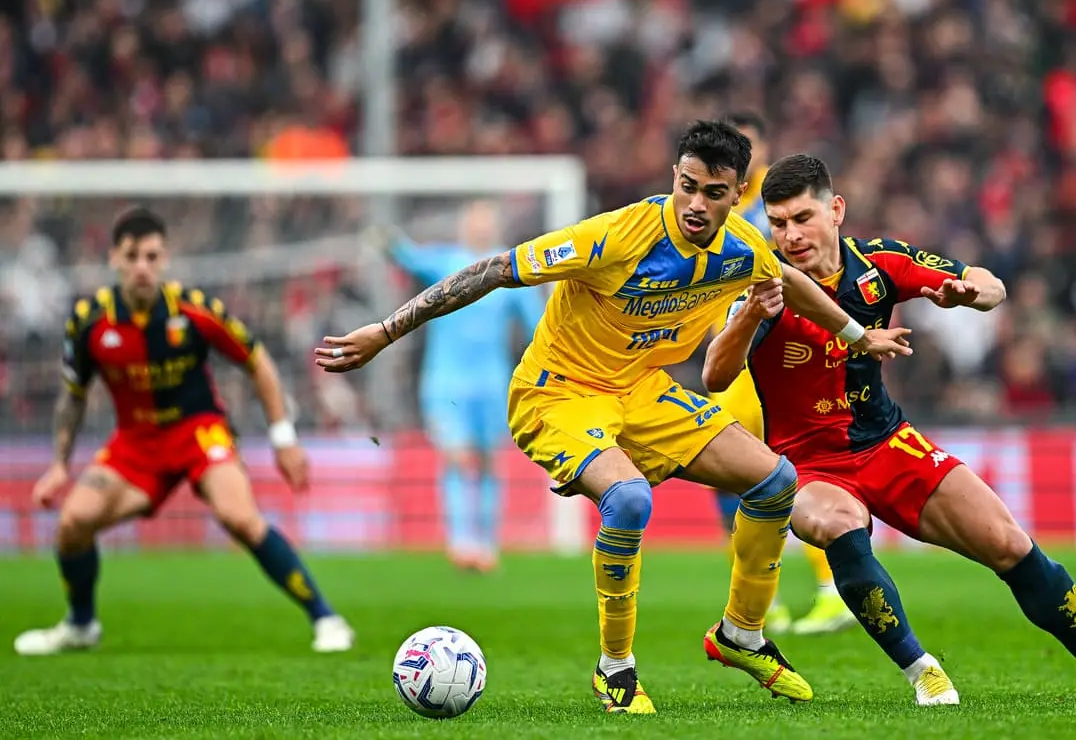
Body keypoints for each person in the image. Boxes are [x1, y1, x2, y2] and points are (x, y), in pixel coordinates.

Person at [315, 120, 914, 714]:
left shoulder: (742, 246)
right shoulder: (616, 236)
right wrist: (386, 331)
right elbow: (495, 270)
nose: (695, 204)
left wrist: (858, 336)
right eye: (687, 186)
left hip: (639, 390)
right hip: (557, 393)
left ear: (738, 195)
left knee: (776, 479)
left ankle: (742, 634)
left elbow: (786, 280)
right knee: (628, 500)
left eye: (713, 193)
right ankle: (616, 669)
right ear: (674, 177)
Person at [703, 153, 1076, 705]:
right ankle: (923, 670)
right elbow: (715, 375)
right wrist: (749, 314)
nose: (790, 236)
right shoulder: (763, 285)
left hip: (888, 443)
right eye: (778, 223)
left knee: (1008, 542)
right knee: (838, 523)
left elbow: (987, 283)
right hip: (809, 464)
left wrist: (972, 293)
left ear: (835, 210)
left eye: (802, 218)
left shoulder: (878, 264)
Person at [14, 208, 354, 656]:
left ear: (165, 259)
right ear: (113, 258)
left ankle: (326, 617)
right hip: (135, 444)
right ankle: (80, 626)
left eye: (151, 256)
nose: (142, 267)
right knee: (72, 523)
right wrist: (59, 465)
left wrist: (284, 440)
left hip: (199, 433)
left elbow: (257, 362)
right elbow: (73, 395)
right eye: (132, 256)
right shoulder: (88, 321)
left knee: (240, 517)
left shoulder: (194, 310)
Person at [710, 112, 854, 636]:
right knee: (733, 479)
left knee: (790, 471)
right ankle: (760, 601)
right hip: (732, 359)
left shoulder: (774, 211)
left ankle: (833, 589)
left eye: (747, 149)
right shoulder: (717, 208)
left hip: (770, 359)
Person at [377, 200, 543, 571]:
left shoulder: (508, 270)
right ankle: (460, 542)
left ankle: (486, 545)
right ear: (463, 226)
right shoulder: (447, 263)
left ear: (495, 227)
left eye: (485, 222)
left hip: (491, 383)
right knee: (455, 457)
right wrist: (385, 238)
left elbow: (538, 324)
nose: (479, 228)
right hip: (446, 381)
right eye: (474, 221)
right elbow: (409, 258)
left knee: (487, 462)